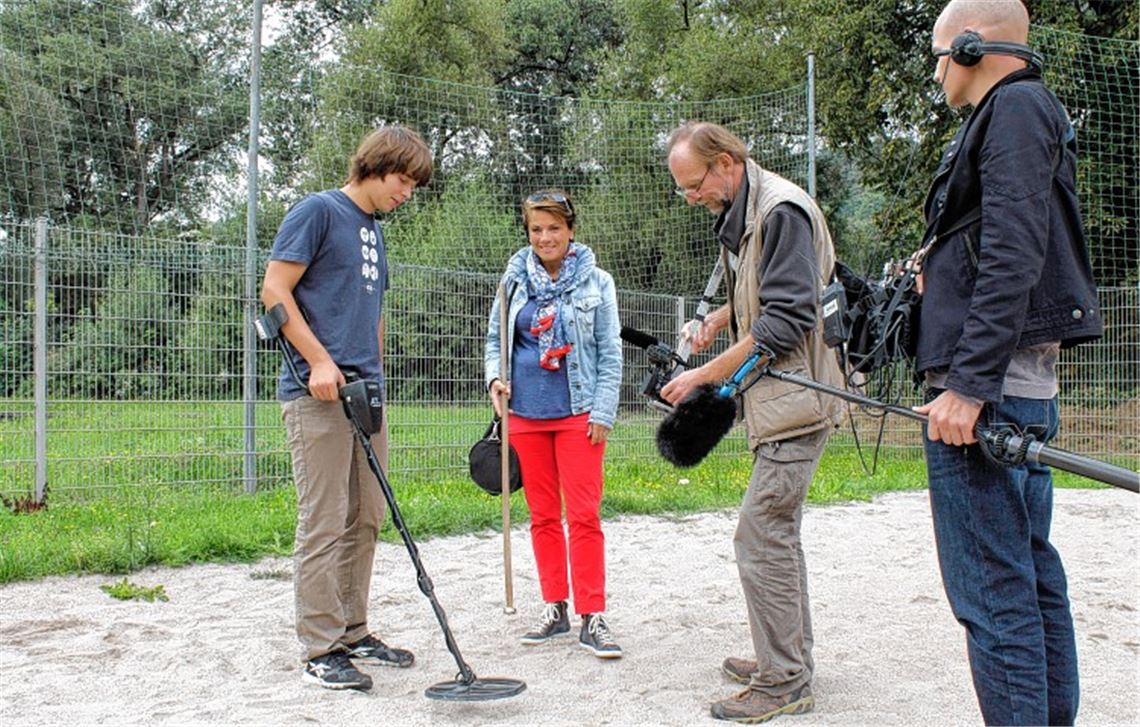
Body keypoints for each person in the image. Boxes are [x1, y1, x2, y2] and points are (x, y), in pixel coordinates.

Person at [912, 1, 1103, 724]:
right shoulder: (1016, 114)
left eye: (939, 54)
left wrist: (967, 383)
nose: (936, 71)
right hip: (1008, 386)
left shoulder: (1016, 108)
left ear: (969, 47)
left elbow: (1015, 247)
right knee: (1027, 574)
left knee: (994, 592)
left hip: (987, 394)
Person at [659, 122, 843, 724]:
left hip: (798, 399)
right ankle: (782, 657)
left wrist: (703, 375)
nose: (690, 198)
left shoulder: (780, 212)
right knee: (775, 533)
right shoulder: (752, 211)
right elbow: (767, 298)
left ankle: (784, 678)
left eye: (693, 185)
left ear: (726, 164)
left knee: (761, 532)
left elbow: (785, 321)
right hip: (780, 400)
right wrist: (718, 318)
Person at [260, 125, 434, 691]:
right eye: (403, 180)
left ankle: (353, 631)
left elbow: (373, 312)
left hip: (365, 392)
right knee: (325, 517)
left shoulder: (374, 232)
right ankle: (319, 646)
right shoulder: (318, 211)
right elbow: (274, 291)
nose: (407, 193)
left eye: (412, 185)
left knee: (366, 515)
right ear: (376, 167)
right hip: (317, 395)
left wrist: (374, 373)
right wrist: (318, 362)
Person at [484, 189, 624, 659]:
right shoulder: (512, 282)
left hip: (579, 414)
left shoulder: (597, 282)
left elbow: (610, 352)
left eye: (553, 229)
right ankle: (554, 607)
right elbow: (494, 342)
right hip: (524, 415)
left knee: (583, 516)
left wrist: (603, 411)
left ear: (571, 231)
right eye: (536, 230)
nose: (545, 238)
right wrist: (495, 380)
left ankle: (593, 615)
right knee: (543, 517)